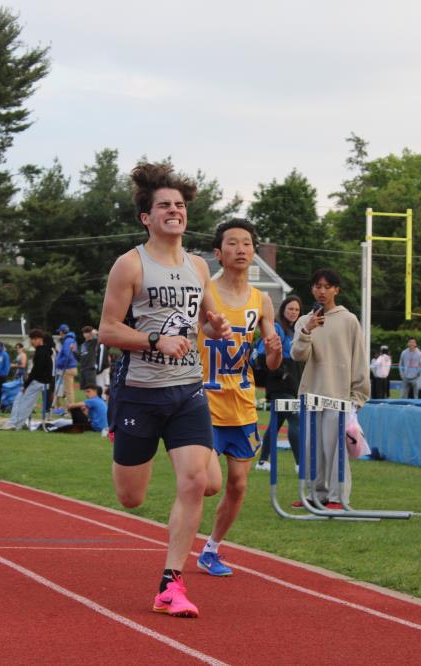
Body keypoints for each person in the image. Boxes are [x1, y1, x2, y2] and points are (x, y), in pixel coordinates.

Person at [97, 162, 230, 618]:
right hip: (139, 391)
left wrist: (215, 327)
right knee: (130, 497)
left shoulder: (198, 266)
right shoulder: (130, 264)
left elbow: (206, 323)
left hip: (187, 390)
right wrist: (155, 340)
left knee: (197, 482)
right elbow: (108, 330)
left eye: (179, 205)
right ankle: (128, 440)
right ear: (146, 217)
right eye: (164, 206)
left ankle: (171, 584)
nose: (174, 210)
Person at [196, 219, 282, 577]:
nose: (241, 249)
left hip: (242, 404)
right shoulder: (205, 293)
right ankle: (179, 541)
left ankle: (211, 549)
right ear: (218, 253)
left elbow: (272, 363)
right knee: (206, 483)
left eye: (247, 243)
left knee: (239, 484)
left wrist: (274, 350)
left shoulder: (262, 300)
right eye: (232, 243)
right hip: (205, 402)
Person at [290, 268, 370, 509]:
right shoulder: (304, 321)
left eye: (327, 287)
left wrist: (358, 395)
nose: (322, 291)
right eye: (318, 286)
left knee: (335, 451)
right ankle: (316, 495)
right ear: (312, 289)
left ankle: (337, 498)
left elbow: (359, 359)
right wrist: (307, 330)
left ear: (336, 290)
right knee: (311, 450)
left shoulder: (349, 320)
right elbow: (297, 355)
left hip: (339, 396)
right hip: (310, 394)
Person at [256, 295, 304, 471]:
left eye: (297, 309)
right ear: (283, 310)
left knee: (275, 423)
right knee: (296, 420)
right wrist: (280, 372)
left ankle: (262, 461)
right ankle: (300, 464)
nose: (293, 312)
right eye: (290, 308)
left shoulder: (294, 330)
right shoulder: (277, 327)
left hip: (291, 384)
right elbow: (263, 351)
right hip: (279, 384)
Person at [0, 329, 53, 430]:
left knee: (20, 401)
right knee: (25, 403)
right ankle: (19, 424)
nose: (32, 341)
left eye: (34, 339)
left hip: (37, 381)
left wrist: (26, 385)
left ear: (40, 339)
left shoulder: (41, 352)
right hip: (41, 382)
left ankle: (13, 424)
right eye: (31, 339)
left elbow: (35, 371)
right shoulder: (45, 350)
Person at [53, 324, 79, 411]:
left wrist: (60, 364)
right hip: (70, 367)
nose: (59, 333)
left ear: (62, 332)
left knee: (68, 391)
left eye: (60, 332)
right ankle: (66, 407)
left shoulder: (67, 341)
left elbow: (68, 355)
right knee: (66, 390)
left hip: (68, 368)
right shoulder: (71, 340)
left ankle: (71, 409)